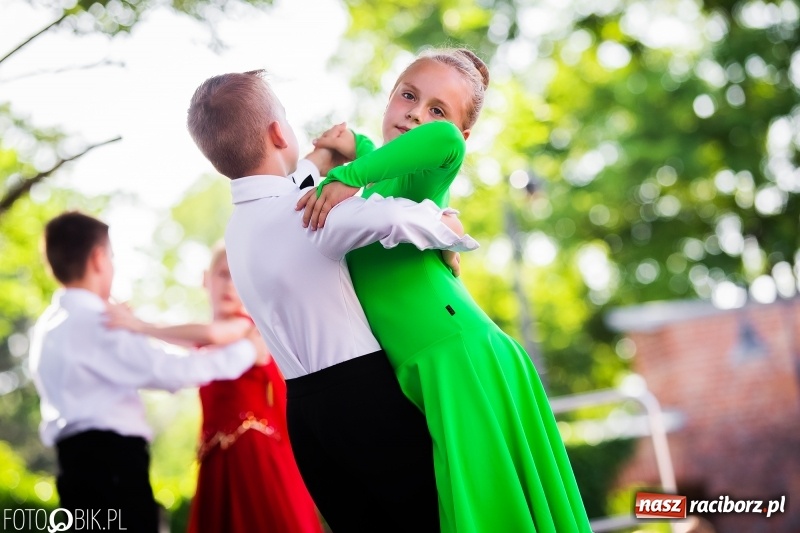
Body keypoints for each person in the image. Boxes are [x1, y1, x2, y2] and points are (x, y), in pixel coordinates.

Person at [302, 48, 593, 533]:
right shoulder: (387, 178)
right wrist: (355, 146)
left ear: (462, 133)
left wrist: (347, 171)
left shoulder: (424, 166)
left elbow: (436, 141)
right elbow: (388, 164)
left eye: (438, 108)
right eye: (408, 96)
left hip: (458, 358)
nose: (417, 113)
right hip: (427, 365)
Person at [185, 69, 479, 533]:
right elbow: (394, 218)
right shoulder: (312, 212)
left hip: (304, 418)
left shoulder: (237, 230)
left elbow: (289, 186)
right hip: (365, 402)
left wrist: (320, 157)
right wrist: (448, 229)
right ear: (280, 132)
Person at [28, 211, 264, 533]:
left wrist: (137, 329)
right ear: (98, 259)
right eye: (111, 257)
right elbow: (174, 371)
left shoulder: (48, 327)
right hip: (112, 466)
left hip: (71, 467)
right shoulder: (99, 323)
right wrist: (249, 349)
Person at [105, 243, 323, 533]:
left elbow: (209, 333)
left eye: (237, 276)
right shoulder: (208, 345)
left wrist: (139, 324)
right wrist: (127, 323)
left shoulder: (248, 328)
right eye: (222, 274)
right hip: (216, 458)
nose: (230, 285)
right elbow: (188, 343)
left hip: (254, 456)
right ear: (205, 278)